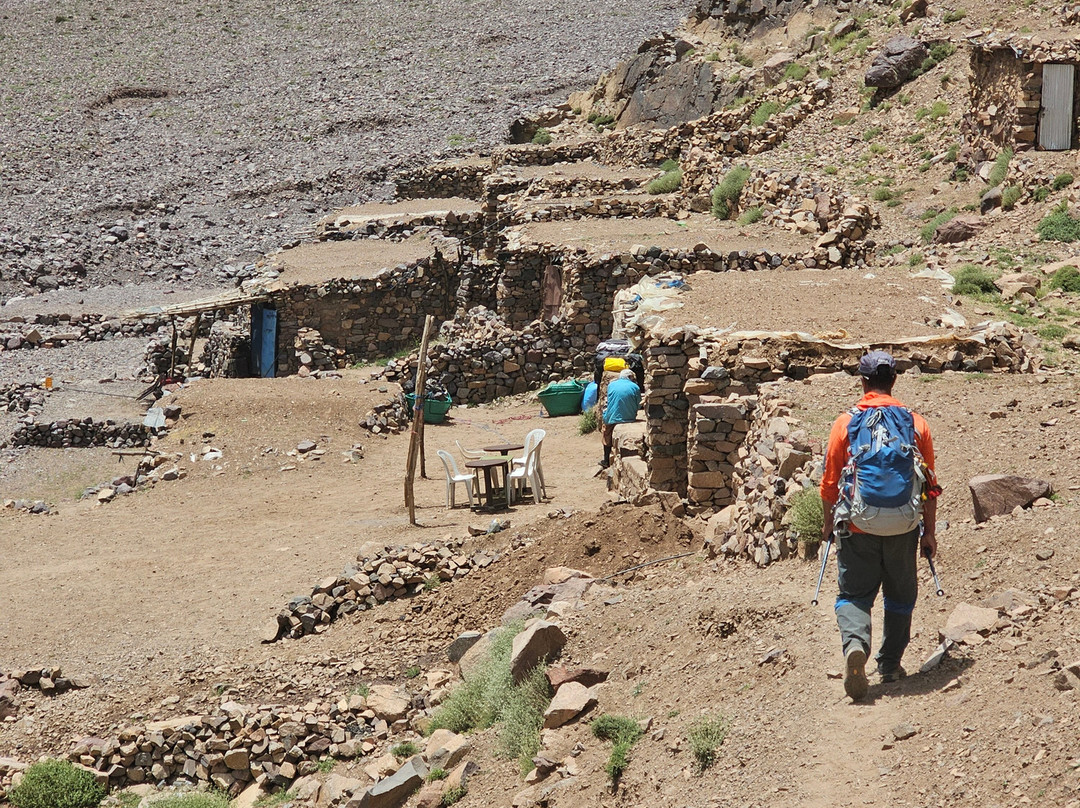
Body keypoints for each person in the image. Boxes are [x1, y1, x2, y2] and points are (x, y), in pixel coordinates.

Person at [819, 350, 940, 701]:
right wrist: (929, 532)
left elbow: (829, 485)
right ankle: (889, 665)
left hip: (858, 526)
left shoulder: (845, 423)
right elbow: (929, 485)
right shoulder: (916, 423)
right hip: (904, 525)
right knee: (901, 595)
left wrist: (828, 525)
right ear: (894, 380)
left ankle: (856, 645)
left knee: (853, 595)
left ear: (862, 382)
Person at [599, 368, 641, 469]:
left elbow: (609, 401)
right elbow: (639, 404)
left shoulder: (611, 385)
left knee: (606, 433)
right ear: (630, 377)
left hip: (612, 417)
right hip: (629, 417)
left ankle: (606, 460)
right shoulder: (635, 387)